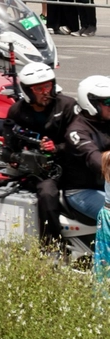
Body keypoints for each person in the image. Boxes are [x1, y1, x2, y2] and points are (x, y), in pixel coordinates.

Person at [0, 62, 78, 245]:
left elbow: (78, 141)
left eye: (48, 85)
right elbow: (9, 146)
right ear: (27, 91)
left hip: (66, 165)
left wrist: (56, 148)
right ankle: (52, 243)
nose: (45, 91)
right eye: (39, 88)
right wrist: (13, 159)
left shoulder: (67, 106)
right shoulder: (16, 111)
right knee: (46, 192)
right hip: (35, 171)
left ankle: (64, 239)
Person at [63, 75, 110, 226]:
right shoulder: (77, 131)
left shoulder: (106, 121)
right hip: (81, 192)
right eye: (107, 102)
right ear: (91, 103)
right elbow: (95, 160)